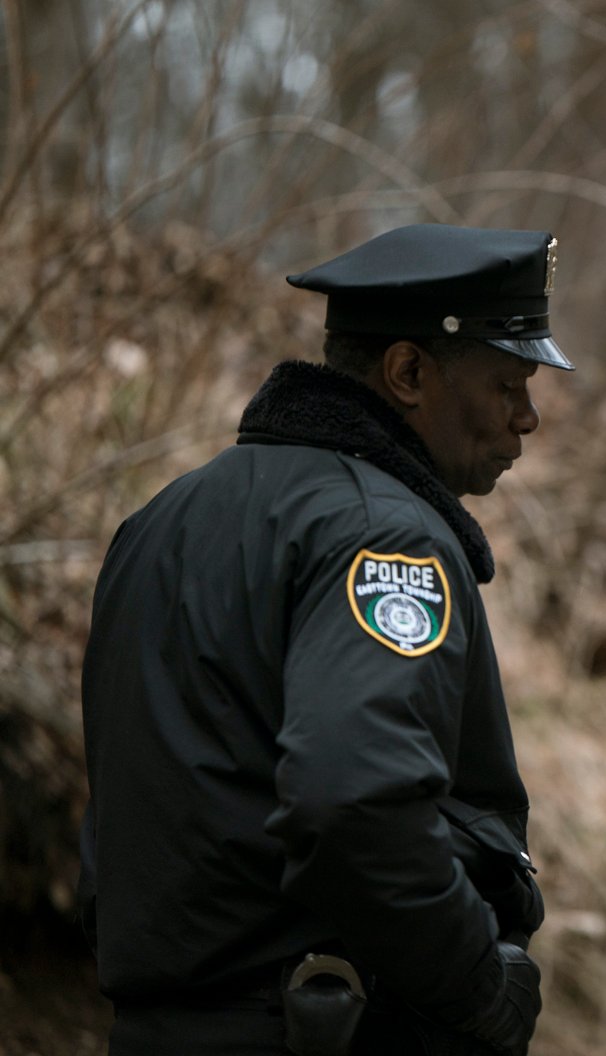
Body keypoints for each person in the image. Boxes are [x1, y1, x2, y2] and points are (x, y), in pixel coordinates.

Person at [76, 223, 573, 1055]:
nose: (527, 418)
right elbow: (353, 800)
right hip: (314, 1028)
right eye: (508, 382)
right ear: (409, 373)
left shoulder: (164, 517)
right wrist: (480, 988)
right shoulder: (386, 537)